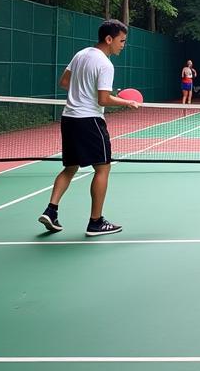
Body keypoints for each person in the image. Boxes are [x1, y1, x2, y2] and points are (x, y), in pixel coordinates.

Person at [38, 19, 138, 237]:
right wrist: (126, 102)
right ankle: (96, 222)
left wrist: (83, 90)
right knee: (103, 168)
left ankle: (51, 210)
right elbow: (103, 99)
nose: (123, 45)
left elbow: (64, 82)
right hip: (90, 120)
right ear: (109, 39)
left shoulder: (81, 54)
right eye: (121, 41)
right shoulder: (105, 64)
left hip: (69, 118)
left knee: (70, 167)